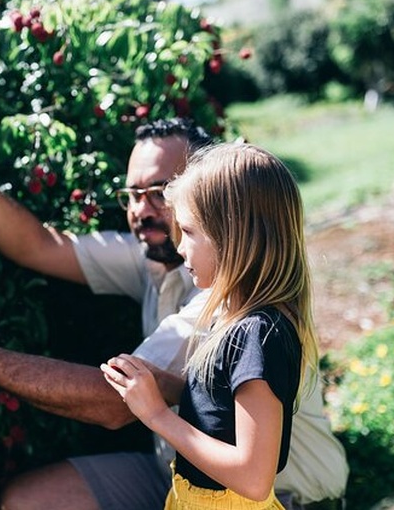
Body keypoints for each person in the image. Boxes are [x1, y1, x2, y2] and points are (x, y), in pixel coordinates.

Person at [0, 104, 348, 510]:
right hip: (184, 479)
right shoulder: (160, 257)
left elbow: (114, 406)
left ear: (219, 213)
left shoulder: (235, 309)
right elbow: (39, 247)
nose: (143, 210)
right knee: (29, 500)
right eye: (133, 194)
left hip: (274, 499)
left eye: (162, 193)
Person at [101, 142, 318, 509]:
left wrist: (156, 414)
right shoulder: (241, 322)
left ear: (232, 237)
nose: (179, 247)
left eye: (187, 231)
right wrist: (166, 387)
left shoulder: (257, 335)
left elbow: (253, 476)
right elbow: (224, 412)